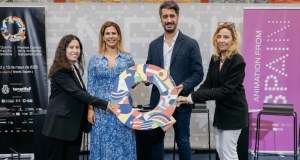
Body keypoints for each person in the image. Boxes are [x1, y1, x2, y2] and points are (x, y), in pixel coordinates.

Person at [139, 1, 204, 160]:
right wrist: (146, 79)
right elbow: (149, 69)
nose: (169, 20)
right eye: (165, 16)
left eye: (171, 16)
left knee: (182, 141)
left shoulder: (190, 44)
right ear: (160, 19)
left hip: (180, 102)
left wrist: (183, 86)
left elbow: (198, 73)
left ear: (178, 17)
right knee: (156, 141)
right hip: (158, 102)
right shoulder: (153, 45)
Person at [177, 22, 248, 160]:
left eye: (226, 37)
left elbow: (225, 91)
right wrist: (188, 97)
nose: (221, 40)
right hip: (221, 113)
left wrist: (191, 97)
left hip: (234, 114)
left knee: (229, 154)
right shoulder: (215, 58)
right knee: (221, 153)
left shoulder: (238, 61)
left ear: (233, 40)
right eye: (219, 36)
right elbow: (208, 84)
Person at [42, 34, 110, 160]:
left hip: (72, 128)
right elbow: (78, 93)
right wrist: (106, 104)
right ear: (64, 50)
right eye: (71, 47)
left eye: (78, 47)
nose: (75, 50)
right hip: (59, 128)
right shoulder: (60, 70)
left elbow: (81, 92)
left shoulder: (73, 68)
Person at [87, 21, 136, 160]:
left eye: (114, 33)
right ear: (103, 37)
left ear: (119, 36)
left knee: (123, 143)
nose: (111, 36)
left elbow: (132, 82)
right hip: (101, 110)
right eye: (107, 33)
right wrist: (90, 109)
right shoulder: (94, 60)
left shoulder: (127, 59)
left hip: (123, 108)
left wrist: (140, 80)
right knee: (101, 143)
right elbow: (90, 87)